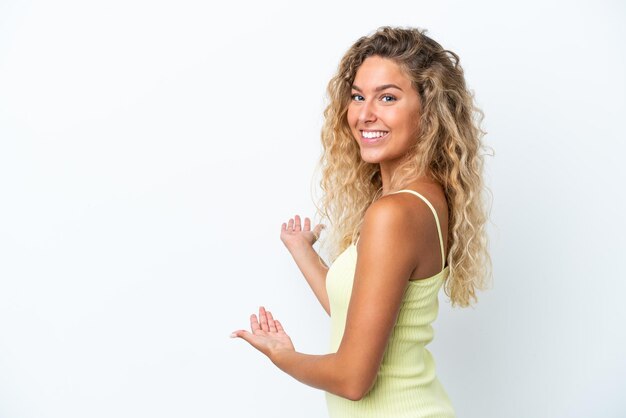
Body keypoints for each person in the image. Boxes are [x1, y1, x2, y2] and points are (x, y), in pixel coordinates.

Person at [230, 26, 492, 417]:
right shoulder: (421, 199)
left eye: (387, 97)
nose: (365, 114)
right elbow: (360, 317)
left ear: (429, 109)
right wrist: (304, 253)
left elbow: (354, 379)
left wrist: (283, 357)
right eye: (357, 96)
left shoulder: (395, 213)